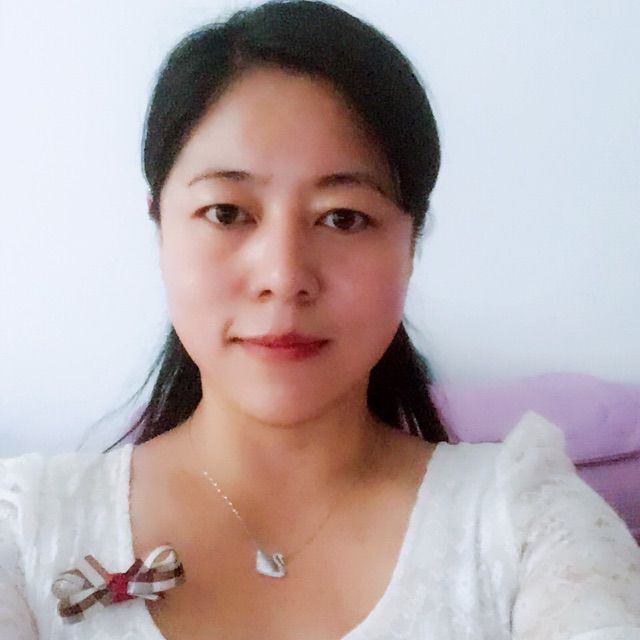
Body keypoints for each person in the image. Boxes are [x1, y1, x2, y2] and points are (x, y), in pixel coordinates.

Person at [1, 2, 639, 638]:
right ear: (160, 225)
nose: (284, 275)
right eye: (227, 213)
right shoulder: (26, 530)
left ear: (411, 243)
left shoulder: (524, 523)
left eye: (343, 217)